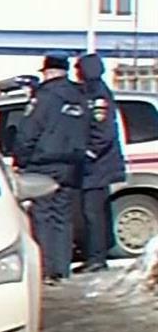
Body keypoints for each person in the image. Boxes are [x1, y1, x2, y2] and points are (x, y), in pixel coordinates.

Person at [14, 55, 89, 283]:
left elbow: (29, 131)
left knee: (43, 216)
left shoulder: (44, 97)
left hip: (44, 164)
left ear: (48, 72)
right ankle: (61, 268)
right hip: (72, 165)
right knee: (62, 217)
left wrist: (21, 158)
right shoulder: (81, 97)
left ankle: (46, 269)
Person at [73, 53, 126, 273]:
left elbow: (103, 132)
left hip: (97, 166)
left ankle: (96, 258)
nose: (76, 73)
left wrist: (89, 153)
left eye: (78, 69)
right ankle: (97, 254)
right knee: (95, 212)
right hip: (97, 165)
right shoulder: (90, 91)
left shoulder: (97, 94)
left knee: (93, 213)